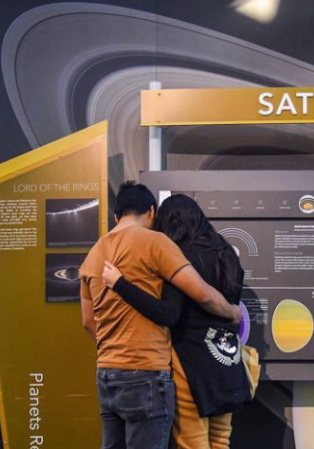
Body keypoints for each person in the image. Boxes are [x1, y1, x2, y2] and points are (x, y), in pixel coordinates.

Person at [80, 182, 241, 449]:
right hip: (146, 372)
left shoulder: (93, 254)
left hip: (107, 373)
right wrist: (232, 311)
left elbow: (87, 321)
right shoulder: (156, 242)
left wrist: (114, 351)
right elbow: (201, 293)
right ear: (151, 212)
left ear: (117, 216)